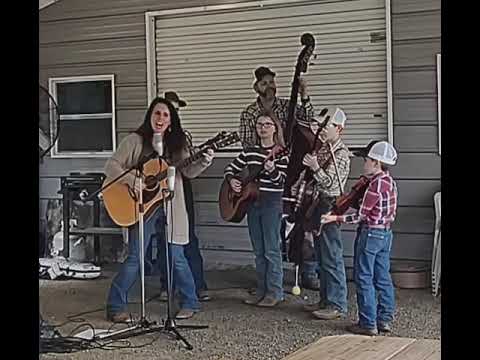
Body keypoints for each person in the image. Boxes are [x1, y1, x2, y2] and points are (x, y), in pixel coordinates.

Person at [104, 97, 214, 322]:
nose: (161, 118)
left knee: (177, 256)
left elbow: (189, 171)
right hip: (142, 205)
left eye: (166, 115)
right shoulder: (135, 141)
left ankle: (190, 302)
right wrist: (133, 179)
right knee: (135, 256)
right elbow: (111, 165)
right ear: (150, 116)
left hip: (172, 205)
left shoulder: (177, 144)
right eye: (157, 113)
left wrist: (204, 161)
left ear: (171, 121)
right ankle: (116, 306)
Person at [239, 66, 320, 290]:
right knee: (267, 232)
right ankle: (267, 282)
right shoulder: (249, 114)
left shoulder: (286, 106)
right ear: (256, 87)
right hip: (265, 173)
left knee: (302, 217)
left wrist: (304, 94)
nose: (270, 87)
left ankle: (308, 269)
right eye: (264, 83)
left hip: (293, 169)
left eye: (272, 82)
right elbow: (247, 147)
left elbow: (309, 120)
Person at [322, 141, 398, 336]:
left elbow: (361, 216)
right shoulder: (390, 181)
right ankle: (385, 319)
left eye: (366, 160)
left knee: (364, 277)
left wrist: (335, 217)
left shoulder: (375, 184)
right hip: (385, 234)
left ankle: (368, 323)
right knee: (382, 277)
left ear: (376, 162)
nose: (364, 163)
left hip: (370, 233)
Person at [151, 91, 210, 302]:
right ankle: (167, 285)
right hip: (154, 192)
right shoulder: (149, 138)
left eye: (174, 110)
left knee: (187, 238)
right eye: (167, 109)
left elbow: (188, 167)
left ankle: (197, 285)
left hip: (180, 189)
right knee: (161, 237)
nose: (170, 114)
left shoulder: (181, 138)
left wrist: (201, 160)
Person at [225, 112, 289, 307]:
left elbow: (282, 182)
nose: (262, 128)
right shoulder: (249, 152)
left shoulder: (282, 152)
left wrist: (272, 170)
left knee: (271, 249)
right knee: (259, 250)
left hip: (272, 202)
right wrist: (233, 180)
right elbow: (230, 168)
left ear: (275, 128)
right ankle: (261, 289)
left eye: (267, 124)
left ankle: (275, 292)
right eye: (259, 124)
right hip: (252, 203)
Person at [300, 107, 351, 320]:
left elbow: (331, 184)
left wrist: (315, 168)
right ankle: (324, 299)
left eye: (326, 126)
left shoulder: (340, 153)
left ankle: (337, 303)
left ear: (339, 128)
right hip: (318, 203)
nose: (321, 129)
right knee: (321, 254)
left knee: (331, 255)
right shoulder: (324, 149)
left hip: (329, 204)